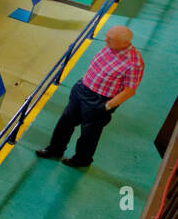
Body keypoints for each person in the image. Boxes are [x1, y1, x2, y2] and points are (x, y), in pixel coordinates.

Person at [37, 25, 143, 168]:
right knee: (65, 122)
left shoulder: (134, 63)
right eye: (107, 36)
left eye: (110, 39)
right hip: (82, 89)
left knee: (89, 134)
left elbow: (129, 91)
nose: (105, 39)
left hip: (99, 100)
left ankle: (82, 160)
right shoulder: (110, 47)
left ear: (124, 43)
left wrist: (106, 106)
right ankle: (55, 149)